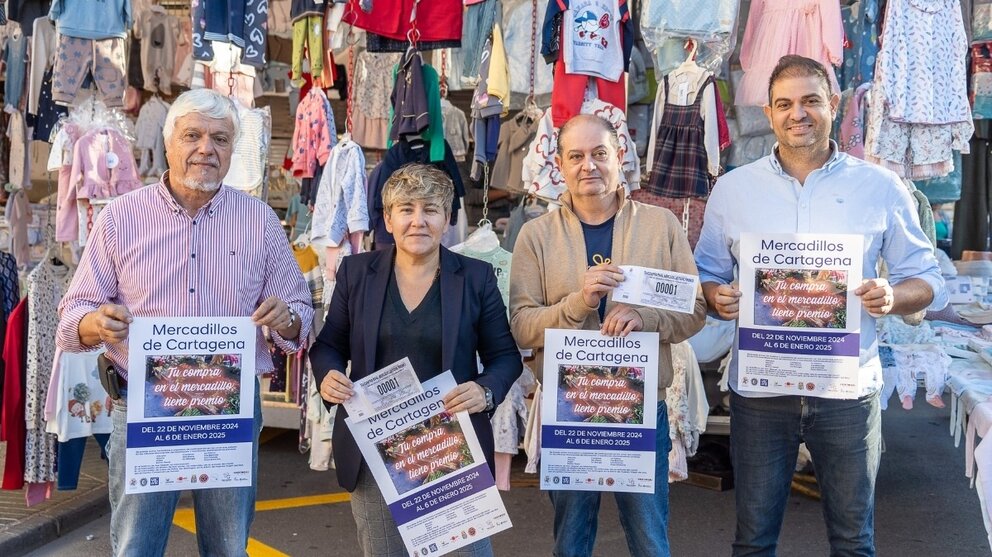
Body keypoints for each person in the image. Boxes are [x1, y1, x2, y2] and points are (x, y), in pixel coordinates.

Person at [693, 55, 948, 556]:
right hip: (761, 394)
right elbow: (708, 273)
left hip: (848, 394)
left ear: (832, 105)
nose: (798, 114)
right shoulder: (733, 189)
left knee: (854, 543)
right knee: (752, 542)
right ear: (768, 113)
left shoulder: (880, 187)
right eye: (785, 104)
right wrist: (713, 295)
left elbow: (928, 279)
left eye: (811, 100)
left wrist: (895, 296)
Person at [56, 88, 314, 557]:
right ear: (169, 142)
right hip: (142, 407)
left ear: (232, 151)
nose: (206, 149)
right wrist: (99, 322)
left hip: (228, 411)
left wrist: (289, 318)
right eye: (192, 135)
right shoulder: (120, 218)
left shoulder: (259, 222)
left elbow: (300, 313)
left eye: (219, 138)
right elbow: (71, 320)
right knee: (137, 547)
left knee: (229, 547)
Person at [509, 114, 707, 557]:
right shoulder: (535, 236)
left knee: (649, 538)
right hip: (568, 410)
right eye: (575, 156)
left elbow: (695, 310)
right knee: (572, 540)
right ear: (559, 165)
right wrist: (577, 303)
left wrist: (644, 316)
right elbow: (521, 325)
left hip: (640, 410)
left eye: (599, 153)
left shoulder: (661, 225)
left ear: (620, 157)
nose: (588, 166)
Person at [310, 163, 522, 557]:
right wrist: (329, 375)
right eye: (406, 209)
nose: (417, 221)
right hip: (375, 453)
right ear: (388, 219)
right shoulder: (357, 273)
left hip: (451, 450)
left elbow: (505, 357)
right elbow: (327, 346)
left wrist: (485, 390)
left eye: (430, 209)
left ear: (447, 219)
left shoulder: (476, 277)